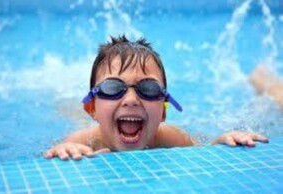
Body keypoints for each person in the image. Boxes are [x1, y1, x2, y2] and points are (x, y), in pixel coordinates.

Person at [45, 35, 269, 160]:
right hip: (91, 126)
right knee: (69, 112)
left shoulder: (171, 138)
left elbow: (203, 154)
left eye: (149, 89)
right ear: (92, 107)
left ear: (162, 111)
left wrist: (221, 142)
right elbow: (52, 157)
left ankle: (263, 81)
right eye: (113, 88)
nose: (131, 99)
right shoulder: (83, 140)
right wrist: (64, 150)